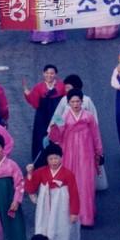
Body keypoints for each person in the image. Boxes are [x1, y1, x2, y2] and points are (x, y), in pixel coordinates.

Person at [48, 91, 104, 227]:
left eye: (78, 101)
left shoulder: (89, 117)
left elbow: (96, 134)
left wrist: (99, 151)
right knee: (70, 182)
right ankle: (71, 213)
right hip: (69, 152)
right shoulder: (63, 116)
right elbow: (55, 137)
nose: (75, 104)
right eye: (72, 102)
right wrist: (54, 127)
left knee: (86, 182)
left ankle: (86, 216)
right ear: (68, 103)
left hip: (86, 152)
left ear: (82, 102)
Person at [24, 144, 81, 240]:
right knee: (44, 230)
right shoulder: (41, 172)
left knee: (62, 231)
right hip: (45, 208)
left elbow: (74, 194)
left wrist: (74, 212)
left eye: (56, 158)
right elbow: (31, 187)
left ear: (61, 158)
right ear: (47, 160)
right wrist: (30, 174)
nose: (54, 162)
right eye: (51, 159)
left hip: (62, 207)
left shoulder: (68, 174)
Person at [23, 64, 66, 164]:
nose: (49, 75)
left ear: (55, 74)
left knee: (58, 135)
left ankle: (59, 159)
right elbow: (35, 102)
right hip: (42, 116)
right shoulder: (39, 87)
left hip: (57, 115)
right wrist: (27, 93)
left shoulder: (61, 86)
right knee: (41, 136)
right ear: (43, 74)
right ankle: (40, 162)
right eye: (47, 73)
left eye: (52, 73)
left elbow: (65, 101)